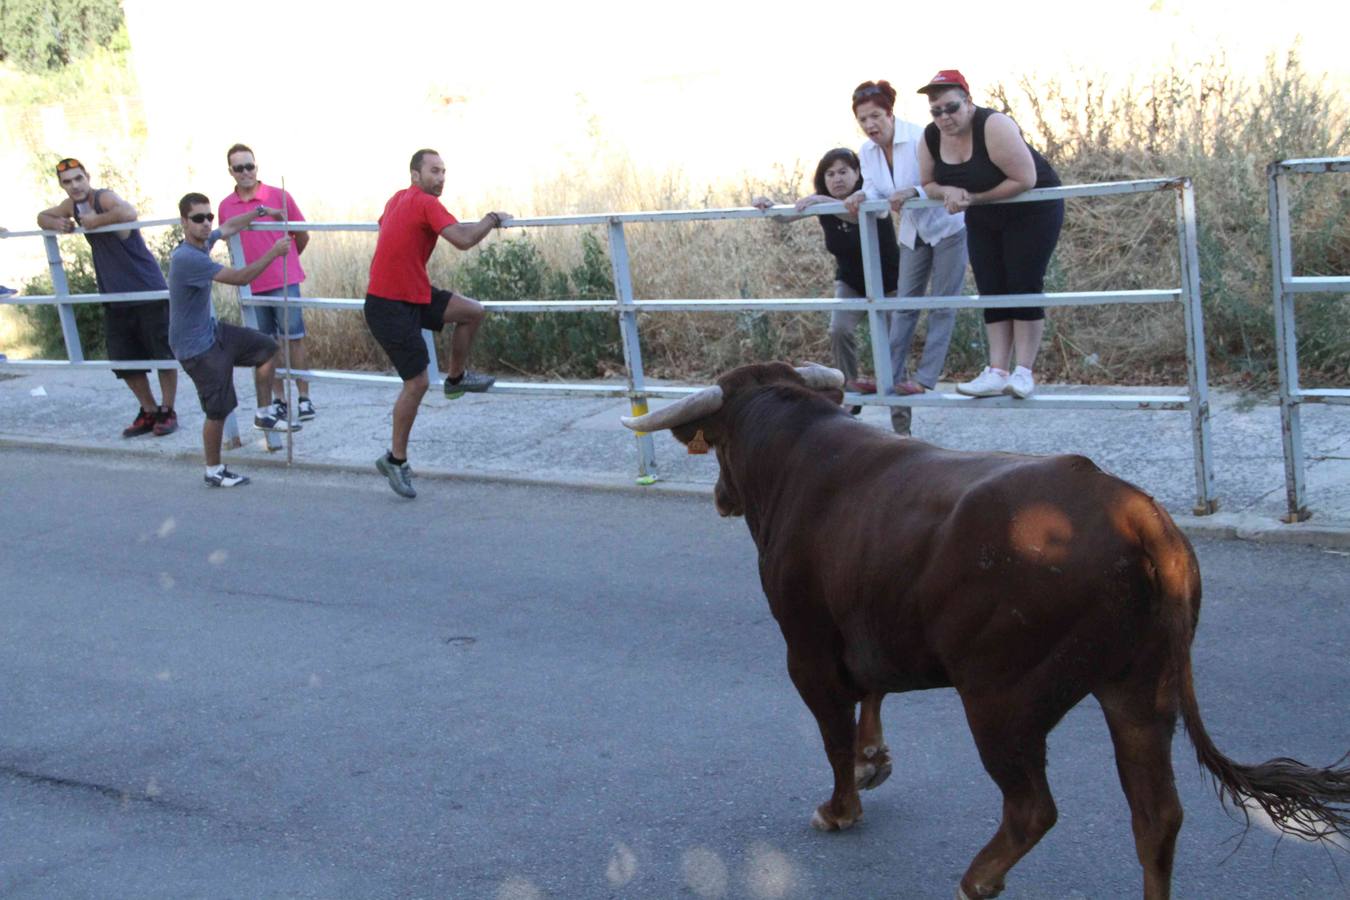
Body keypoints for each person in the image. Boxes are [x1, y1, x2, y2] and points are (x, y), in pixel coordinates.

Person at [364, 148, 510, 498]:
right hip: (388, 304)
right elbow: (462, 240)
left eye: (444, 171)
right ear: (415, 174)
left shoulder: (399, 199)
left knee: (472, 311)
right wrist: (491, 218)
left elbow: (387, 226)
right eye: (434, 171)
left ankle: (456, 379)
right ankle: (395, 460)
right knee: (416, 383)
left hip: (414, 293)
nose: (440, 177)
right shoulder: (425, 202)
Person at [916, 69, 1064, 400]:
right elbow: (928, 184)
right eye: (936, 111)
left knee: (1023, 283)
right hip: (983, 213)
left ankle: (1023, 371)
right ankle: (997, 370)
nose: (944, 117)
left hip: (1032, 208)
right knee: (991, 286)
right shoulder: (930, 137)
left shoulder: (994, 125)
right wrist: (950, 190)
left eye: (951, 108)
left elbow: (1024, 179)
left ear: (968, 102)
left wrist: (973, 198)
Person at [843, 80, 969, 435]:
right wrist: (859, 196)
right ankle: (889, 375)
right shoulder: (867, 152)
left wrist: (912, 190)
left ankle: (926, 377)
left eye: (876, 116)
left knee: (943, 302)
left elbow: (939, 178)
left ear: (890, 113)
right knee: (903, 305)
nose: (871, 125)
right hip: (913, 231)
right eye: (863, 119)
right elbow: (872, 188)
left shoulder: (920, 137)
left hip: (947, 227)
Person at [751, 148, 901, 420]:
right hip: (851, 282)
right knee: (838, 329)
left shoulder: (871, 198)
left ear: (858, 174)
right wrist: (766, 205)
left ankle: (901, 423)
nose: (837, 179)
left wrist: (822, 200)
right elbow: (785, 217)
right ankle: (851, 392)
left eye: (844, 171)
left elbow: (855, 216)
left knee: (893, 345)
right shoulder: (823, 204)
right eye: (830, 174)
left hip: (888, 281)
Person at [36, 158, 180, 437]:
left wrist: (95, 221)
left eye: (78, 179)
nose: (74, 186)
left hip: (146, 288)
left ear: (87, 177)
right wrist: (59, 223)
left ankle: (167, 410)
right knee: (123, 358)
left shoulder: (103, 197)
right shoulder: (73, 204)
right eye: (67, 182)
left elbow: (129, 212)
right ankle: (148, 410)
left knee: (162, 353)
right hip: (114, 294)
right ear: (62, 185)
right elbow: (41, 216)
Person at [168, 193, 297, 488]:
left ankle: (265, 413)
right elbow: (240, 278)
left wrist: (260, 211)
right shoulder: (187, 258)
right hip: (196, 348)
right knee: (219, 410)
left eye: (208, 216)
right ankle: (213, 469)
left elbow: (228, 228)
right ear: (183, 222)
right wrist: (275, 252)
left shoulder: (202, 243)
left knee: (267, 348)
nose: (206, 223)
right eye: (198, 218)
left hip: (213, 332)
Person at [218, 143, 316, 424]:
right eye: (239, 168)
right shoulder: (226, 206)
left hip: (284, 280)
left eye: (250, 166)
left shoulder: (279, 195)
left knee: (294, 339)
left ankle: (304, 398)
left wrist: (290, 262)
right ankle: (279, 400)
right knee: (264, 345)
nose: (246, 172)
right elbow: (226, 235)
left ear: (256, 166)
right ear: (231, 172)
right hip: (251, 284)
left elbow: (302, 234)